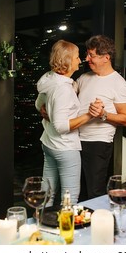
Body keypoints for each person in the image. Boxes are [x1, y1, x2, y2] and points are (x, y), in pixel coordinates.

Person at [35, 40, 95, 206]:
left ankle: (42, 228)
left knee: (47, 193)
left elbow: (38, 104)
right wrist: (90, 115)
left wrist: (45, 109)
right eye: (76, 57)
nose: (80, 60)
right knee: (69, 200)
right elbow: (61, 126)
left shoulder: (48, 79)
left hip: (48, 144)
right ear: (68, 61)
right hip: (65, 147)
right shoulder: (63, 89)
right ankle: (66, 231)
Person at [77, 35, 126, 200]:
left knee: (94, 192)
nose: (87, 59)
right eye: (87, 55)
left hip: (98, 144)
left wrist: (103, 114)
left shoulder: (119, 84)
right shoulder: (84, 78)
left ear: (106, 57)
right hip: (74, 140)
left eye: (91, 55)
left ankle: (98, 224)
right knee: (77, 192)